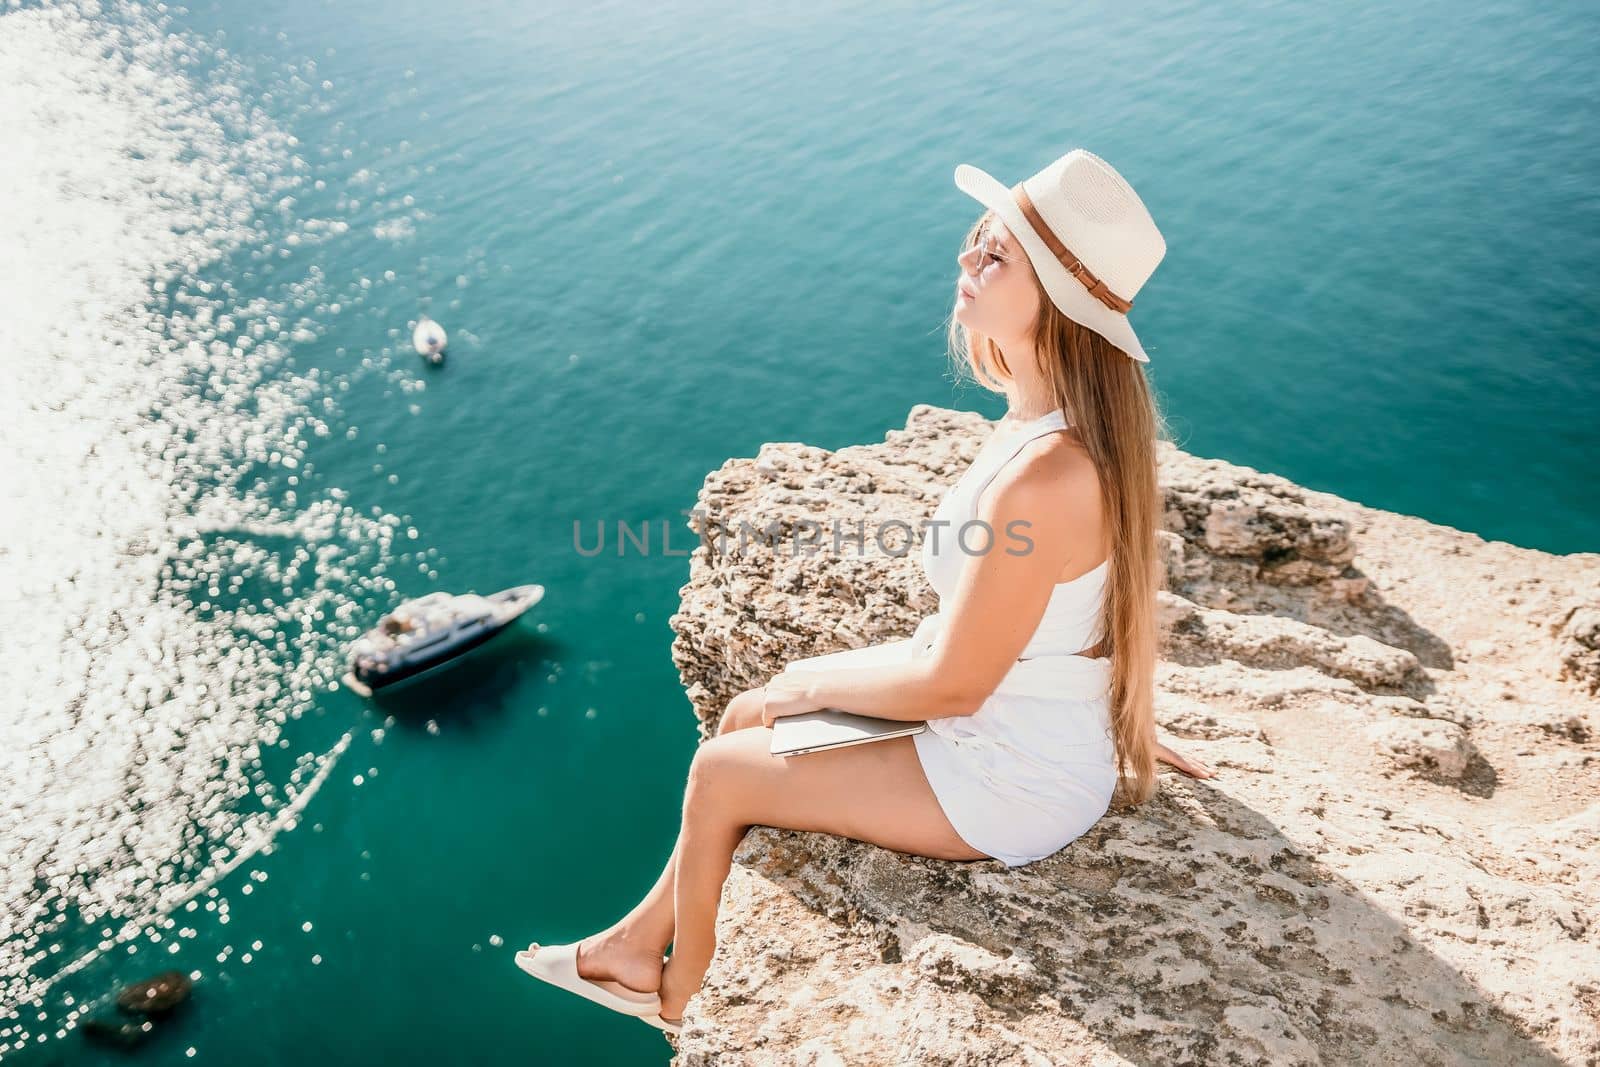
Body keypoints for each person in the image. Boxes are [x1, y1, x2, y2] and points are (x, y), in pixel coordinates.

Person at [516, 148, 1215, 1033]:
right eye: (977, 242)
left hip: (1009, 773)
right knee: (742, 720)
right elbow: (1085, 614)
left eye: (995, 255)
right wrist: (1124, 713)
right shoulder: (1050, 428)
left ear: (1056, 304)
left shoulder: (1046, 474)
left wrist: (804, 684)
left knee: (720, 770)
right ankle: (631, 942)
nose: (966, 260)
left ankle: (679, 1001)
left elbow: (953, 686)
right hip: (1005, 716)